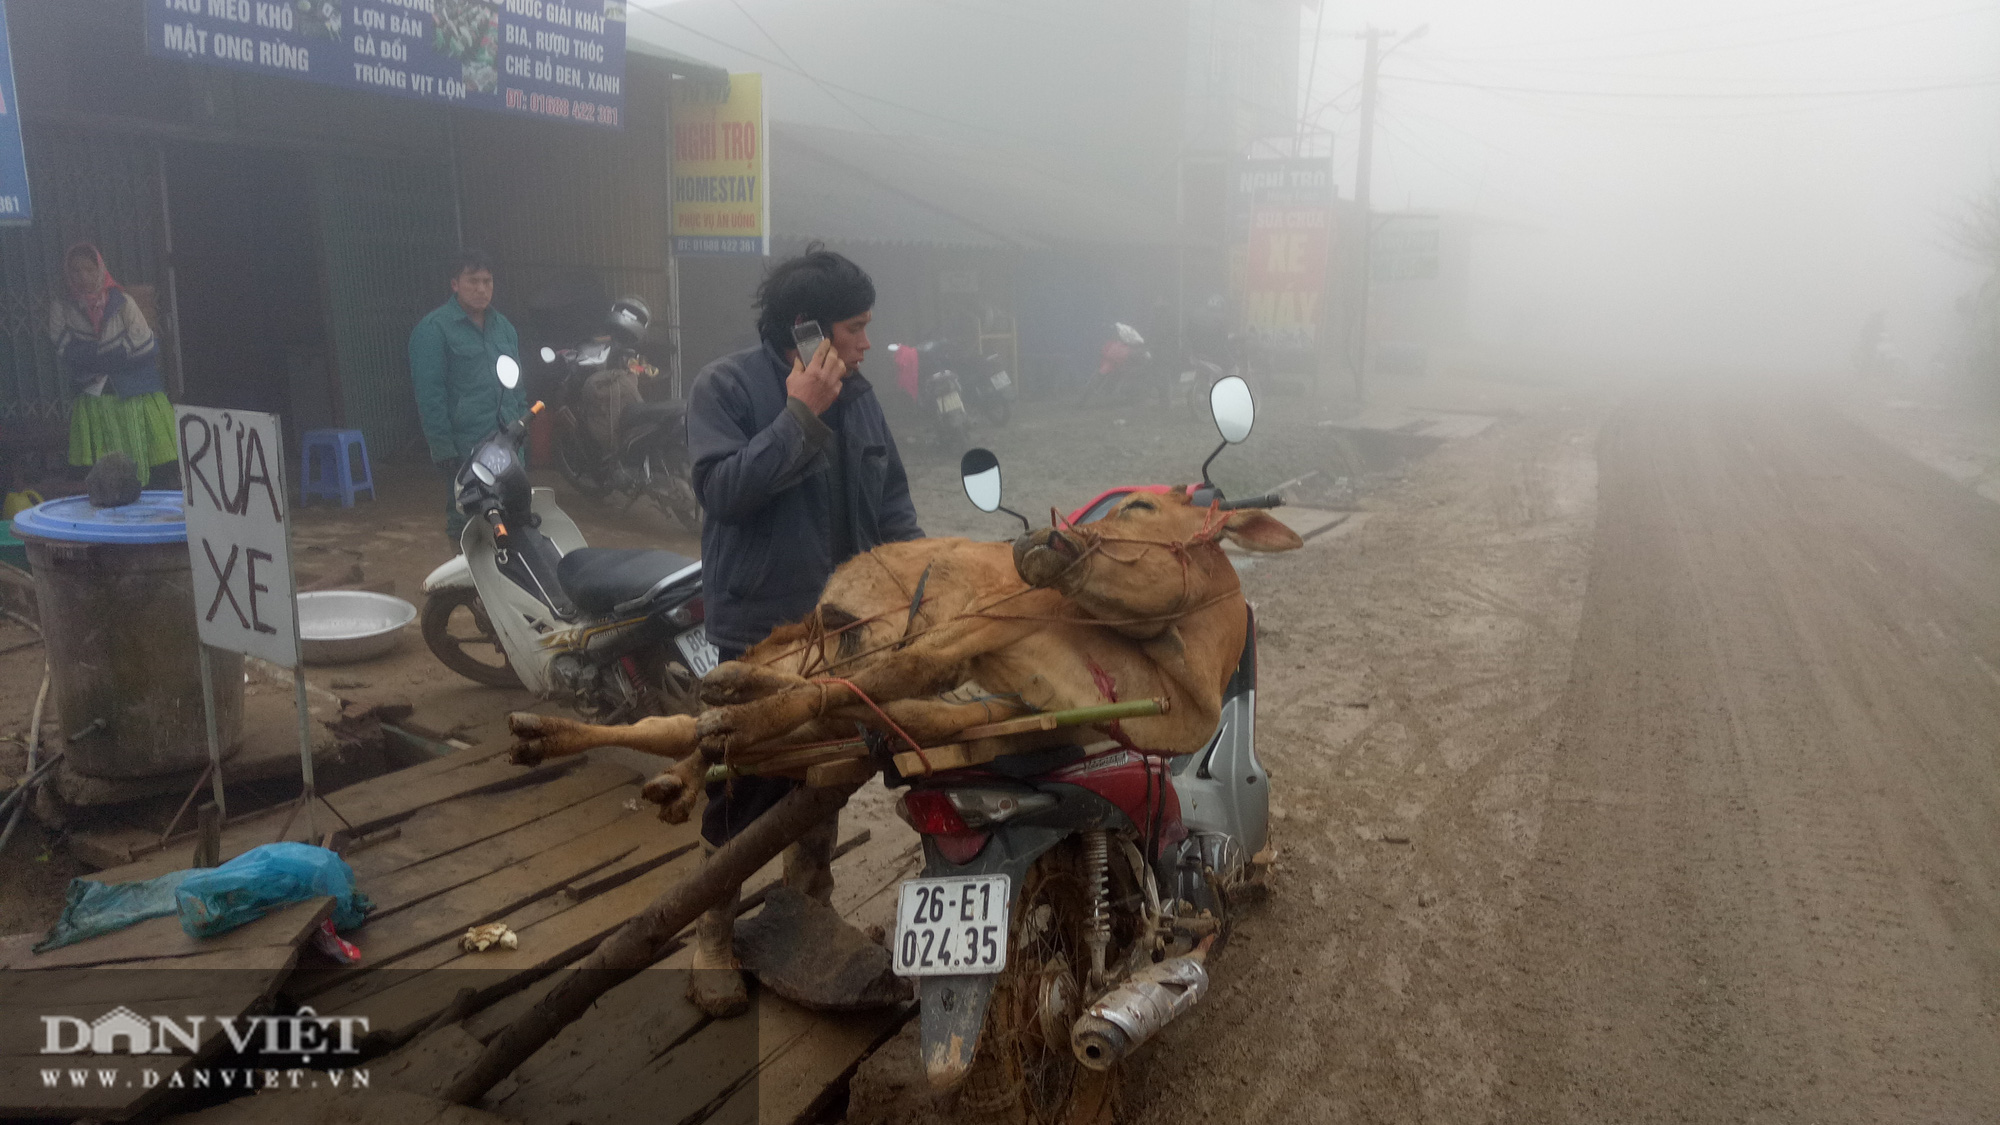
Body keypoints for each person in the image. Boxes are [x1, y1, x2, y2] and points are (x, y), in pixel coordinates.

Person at [683, 243, 922, 1016]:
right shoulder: (726, 386)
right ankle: (711, 929)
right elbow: (723, 492)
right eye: (855, 327)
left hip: (843, 629)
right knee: (742, 775)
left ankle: (807, 905)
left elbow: (892, 506)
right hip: (761, 629)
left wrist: (915, 589)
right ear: (809, 327)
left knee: (825, 774)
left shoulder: (862, 397)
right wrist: (799, 416)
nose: (865, 343)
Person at [410, 251, 526, 543]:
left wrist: (523, 425)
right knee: (468, 519)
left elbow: (517, 384)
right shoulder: (434, 330)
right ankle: (469, 583)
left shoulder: (505, 328)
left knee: (514, 514)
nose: (481, 288)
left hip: (508, 442)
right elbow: (430, 395)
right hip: (466, 445)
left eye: (487, 281)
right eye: (472, 281)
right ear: (454, 284)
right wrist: (443, 448)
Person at [49, 244, 179, 491]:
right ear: (67, 274)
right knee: (104, 475)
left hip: (137, 395)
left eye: (89, 269)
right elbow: (64, 348)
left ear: (100, 270)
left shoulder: (122, 302)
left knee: (152, 470)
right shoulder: (62, 307)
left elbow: (145, 343)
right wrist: (114, 353)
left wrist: (97, 358)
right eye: (76, 271)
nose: (83, 277)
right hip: (95, 399)